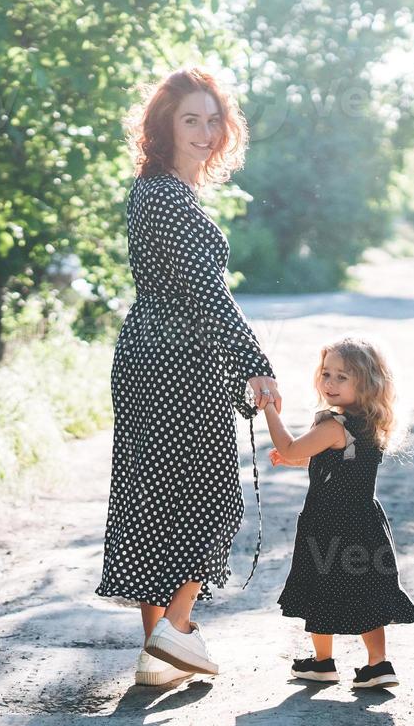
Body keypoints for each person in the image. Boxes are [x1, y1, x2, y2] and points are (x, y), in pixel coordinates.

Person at [96, 67, 282, 685]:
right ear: (163, 126)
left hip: (152, 354)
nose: (205, 133)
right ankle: (176, 629)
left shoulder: (154, 191)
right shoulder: (168, 198)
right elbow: (207, 291)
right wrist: (254, 364)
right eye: (190, 120)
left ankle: (158, 656)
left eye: (212, 120)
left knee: (157, 498)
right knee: (211, 498)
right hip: (176, 361)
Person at [263, 336, 414, 689]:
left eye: (342, 377)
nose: (330, 383)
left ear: (365, 384)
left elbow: (288, 444)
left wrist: (269, 409)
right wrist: (297, 460)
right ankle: (378, 664)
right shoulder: (365, 423)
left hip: (328, 523)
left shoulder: (333, 426)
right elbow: (334, 461)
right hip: (364, 521)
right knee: (365, 589)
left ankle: (322, 662)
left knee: (321, 586)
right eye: (326, 374)